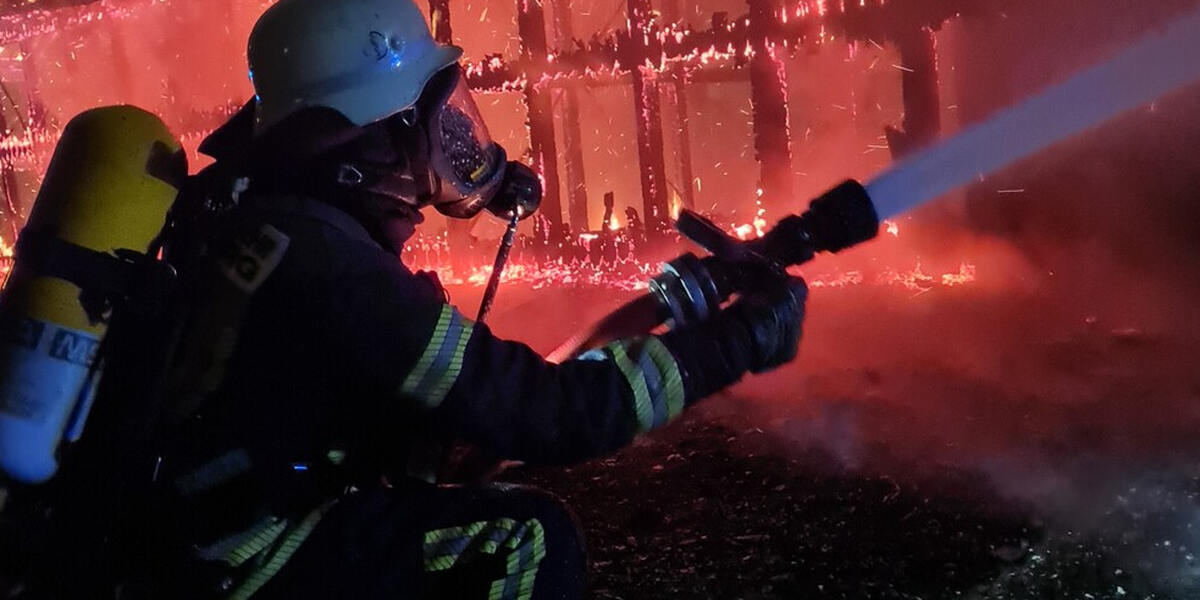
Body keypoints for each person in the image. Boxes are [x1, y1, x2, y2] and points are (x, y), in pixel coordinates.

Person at [56, 0, 808, 598]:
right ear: (380, 132)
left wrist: (671, 315)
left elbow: (452, 418)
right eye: (436, 119)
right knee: (525, 538)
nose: (453, 143)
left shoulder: (246, 216)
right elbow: (551, 414)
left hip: (176, 541)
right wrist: (741, 340)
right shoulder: (331, 272)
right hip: (243, 562)